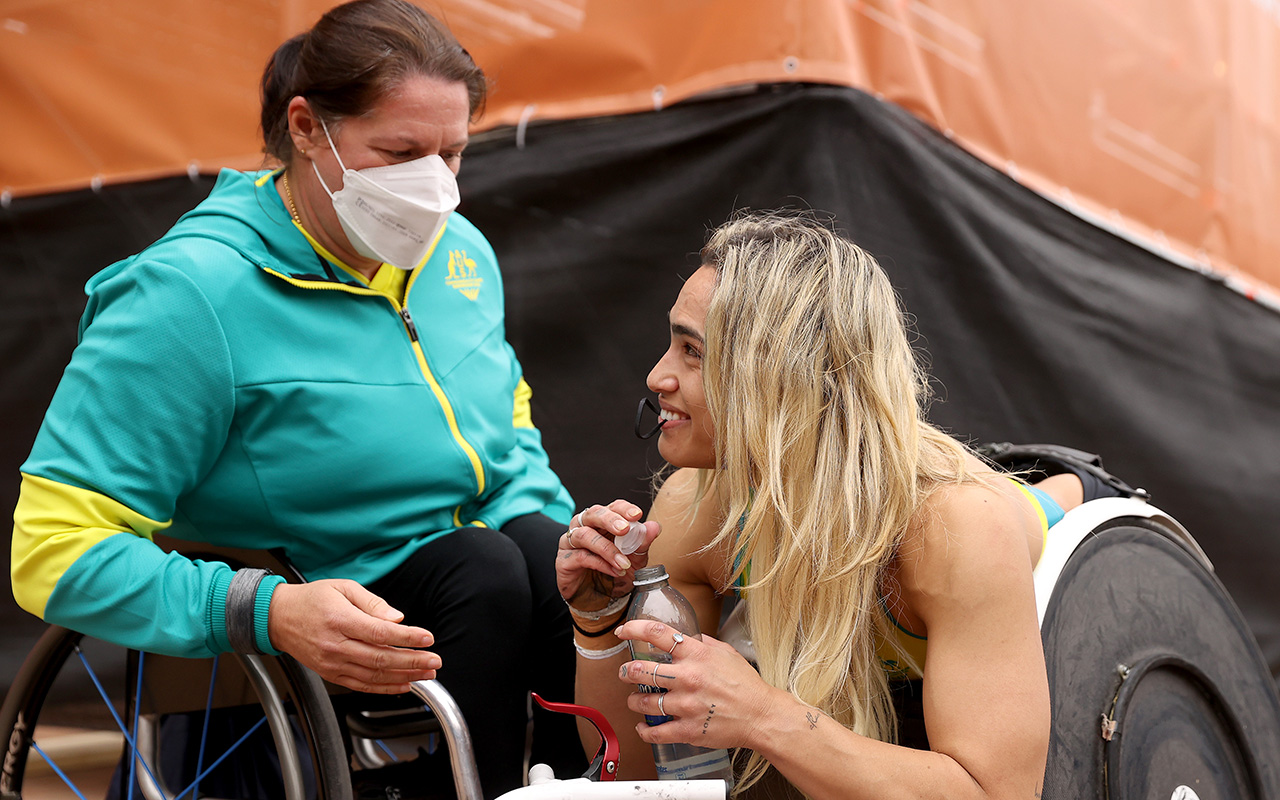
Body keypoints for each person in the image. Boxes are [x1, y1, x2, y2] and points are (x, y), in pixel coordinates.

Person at [11, 1, 581, 795]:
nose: (436, 188)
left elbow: (505, 437)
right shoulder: (188, 296)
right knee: (482, 571)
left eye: (454, 154)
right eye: (401, 152)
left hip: (472, 587)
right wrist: (264, 609)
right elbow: (52, 550)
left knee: (566, 581)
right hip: (311, 599)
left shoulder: (461, 256)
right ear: (307, 129)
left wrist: (578, 545)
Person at [556, 212, 1090, 799]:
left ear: (777, 373)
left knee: (1048, 498)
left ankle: (1075, 481)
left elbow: (997, 794)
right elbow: (640, 775)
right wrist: (599, 624)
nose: (657, 375)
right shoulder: (692, 505)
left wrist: (763, 716)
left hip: (1017, 507)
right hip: (850, 489)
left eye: (692, 351)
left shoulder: (954, 525)